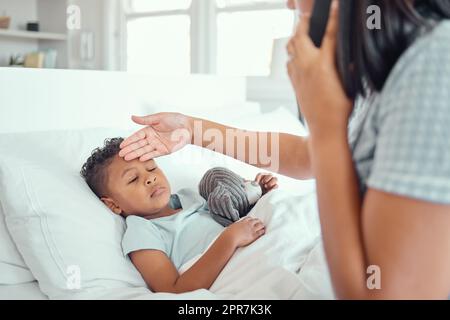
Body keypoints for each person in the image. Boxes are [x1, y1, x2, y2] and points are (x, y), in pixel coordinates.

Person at [118, 0, 450, 299]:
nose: (290, 3)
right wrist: (192, 129)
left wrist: (324, 125)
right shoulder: (389, 68)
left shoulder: (431, 66)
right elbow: (304, 158)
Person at [80, 137, 278, 293]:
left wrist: (258, 195)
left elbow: (232, 219)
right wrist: (230, 239)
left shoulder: (189, 196)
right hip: (235, 273)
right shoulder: (142, 231)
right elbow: (173, 290)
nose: (150, 177)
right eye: (133, 179)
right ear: (113, 205)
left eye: (151, 167)